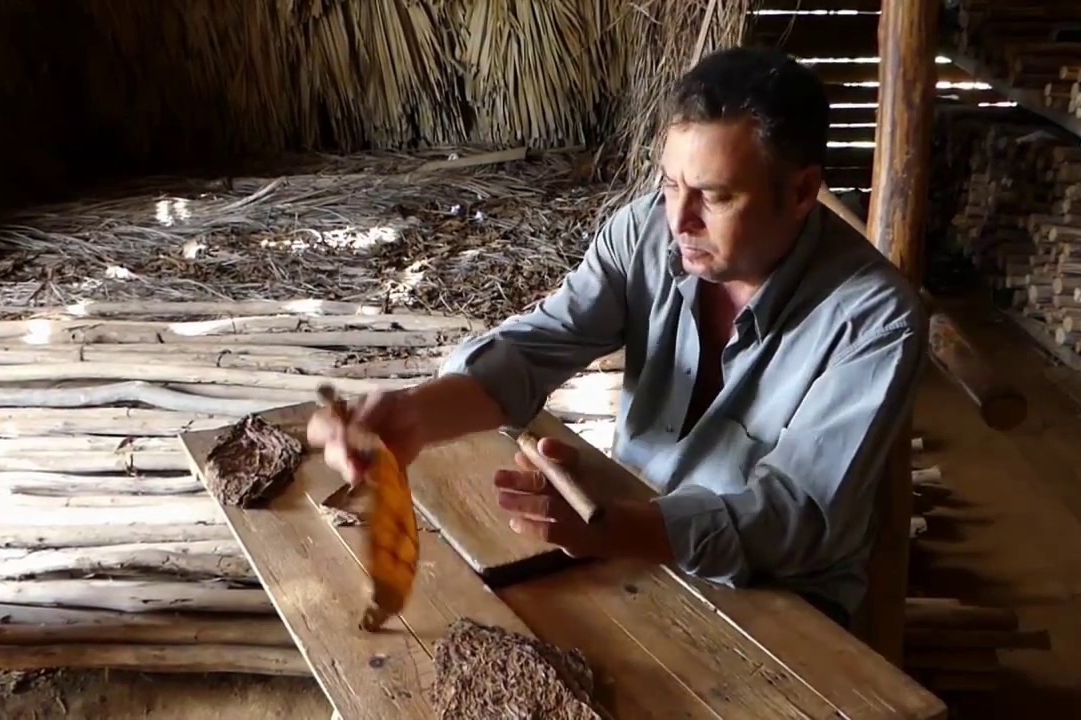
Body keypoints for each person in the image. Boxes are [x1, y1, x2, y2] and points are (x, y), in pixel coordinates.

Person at [307, 45, 925, 628]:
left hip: (780, 595)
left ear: (800, 192)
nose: (679, 221)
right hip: (630, 532)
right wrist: (414, 416)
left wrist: (618, 530)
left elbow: (796, 518)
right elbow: (536, 346)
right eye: (670, 184)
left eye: (714, 196)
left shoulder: (873, 317)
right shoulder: (644, 234)